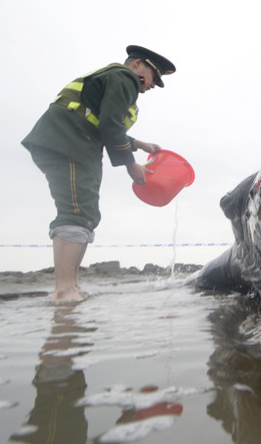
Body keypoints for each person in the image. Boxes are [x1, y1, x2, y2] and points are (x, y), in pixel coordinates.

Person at [22, 45, 176, 303]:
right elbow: (110, 124)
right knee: (75, 211)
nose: (152, 85)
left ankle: (72, 286)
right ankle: (63, 292)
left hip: (76, 143)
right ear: (138, 64)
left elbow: (99, 118)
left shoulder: (116, 79)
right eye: (153, 76)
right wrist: (131, 164)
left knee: (87, 214)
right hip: (68, 142)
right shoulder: (124, 77)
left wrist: (139, 144)